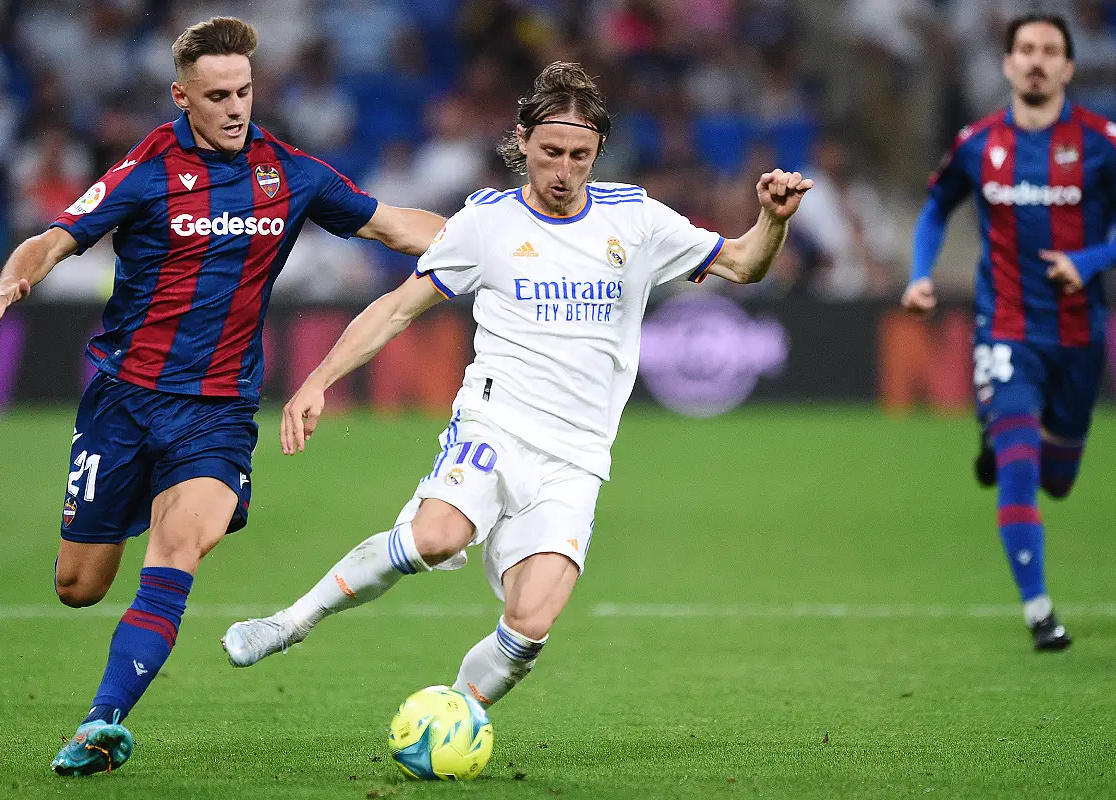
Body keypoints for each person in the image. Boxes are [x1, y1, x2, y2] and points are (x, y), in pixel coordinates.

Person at [222, 63, 811, 715]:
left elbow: (744, 263)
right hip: (494, 426)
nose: (564, 170)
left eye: (580, 156)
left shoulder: (636, 220)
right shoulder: (488, 223)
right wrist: (318, 381)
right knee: (434, 537)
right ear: (524, 141)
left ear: (598, 152)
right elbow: (396, 308)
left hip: (577, 457)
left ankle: (454, 717)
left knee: (530, 625)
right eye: (552, 152)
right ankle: (292, 621)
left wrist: (773, 219)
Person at [0, 17, 444, 775]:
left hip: (216, 413)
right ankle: (117, 551)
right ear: (182, 96)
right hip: (124, 402)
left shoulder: (289, 174)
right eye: (217, 95)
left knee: (179, 548)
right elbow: (53, 239)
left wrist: (499, 237)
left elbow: (396, 228)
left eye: (244, 91)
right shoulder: (146, 169)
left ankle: (100, 724)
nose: (235, 108)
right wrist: (13, 278)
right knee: (78, 587)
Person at [901, 13, 1116, 651]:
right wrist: (921, 275)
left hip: (1079, 334)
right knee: (1019, 462)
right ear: (1008, 63)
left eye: (1049, 50)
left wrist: (1088, 262)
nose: (1037, 60)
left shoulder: (1103, 143)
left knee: (1057, 478)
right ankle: (1040, 612)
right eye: (1026, 49)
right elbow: (936, 207)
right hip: (1006, 328)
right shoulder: (977, 143)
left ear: (1069, 67)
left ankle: (1005, 433)